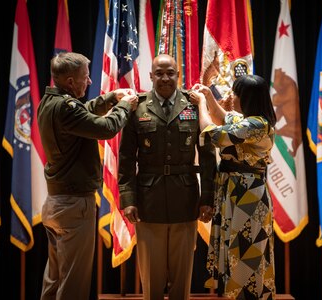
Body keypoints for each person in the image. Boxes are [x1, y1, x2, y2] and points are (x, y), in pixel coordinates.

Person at [37, 51, 138, 300]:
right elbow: (105, 128)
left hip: (56, 204)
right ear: (70, 81)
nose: (90, 82)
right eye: (86, 77)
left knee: (55, 277)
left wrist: (112, 98)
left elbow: (84, 112)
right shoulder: (66, 107)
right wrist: (124, 106)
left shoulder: (50, 101)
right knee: (74, 282)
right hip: (74, 205)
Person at [118, 53, 217, 300]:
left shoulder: (193, 105)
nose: (165, 78)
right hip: (148, 200)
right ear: (151, 76)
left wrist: (208, 198)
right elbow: (127, 158)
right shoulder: (137, 107)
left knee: (182, 279)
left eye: (170, 73)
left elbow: (206, 157)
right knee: (151, 279)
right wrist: (128, 198)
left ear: (178, 75)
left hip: (185, 199)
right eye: (159, 73)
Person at [189, 74, 277, 300]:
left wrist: (200, 104)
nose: (231, 96)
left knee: (247, 255)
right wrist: (208, 96)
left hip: (249, 197)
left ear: (247, 98)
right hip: (236, 192)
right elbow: (224, 117)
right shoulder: (249, 121)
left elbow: (212, 133)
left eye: (236, 93)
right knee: (233, 253)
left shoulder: (257, 125)